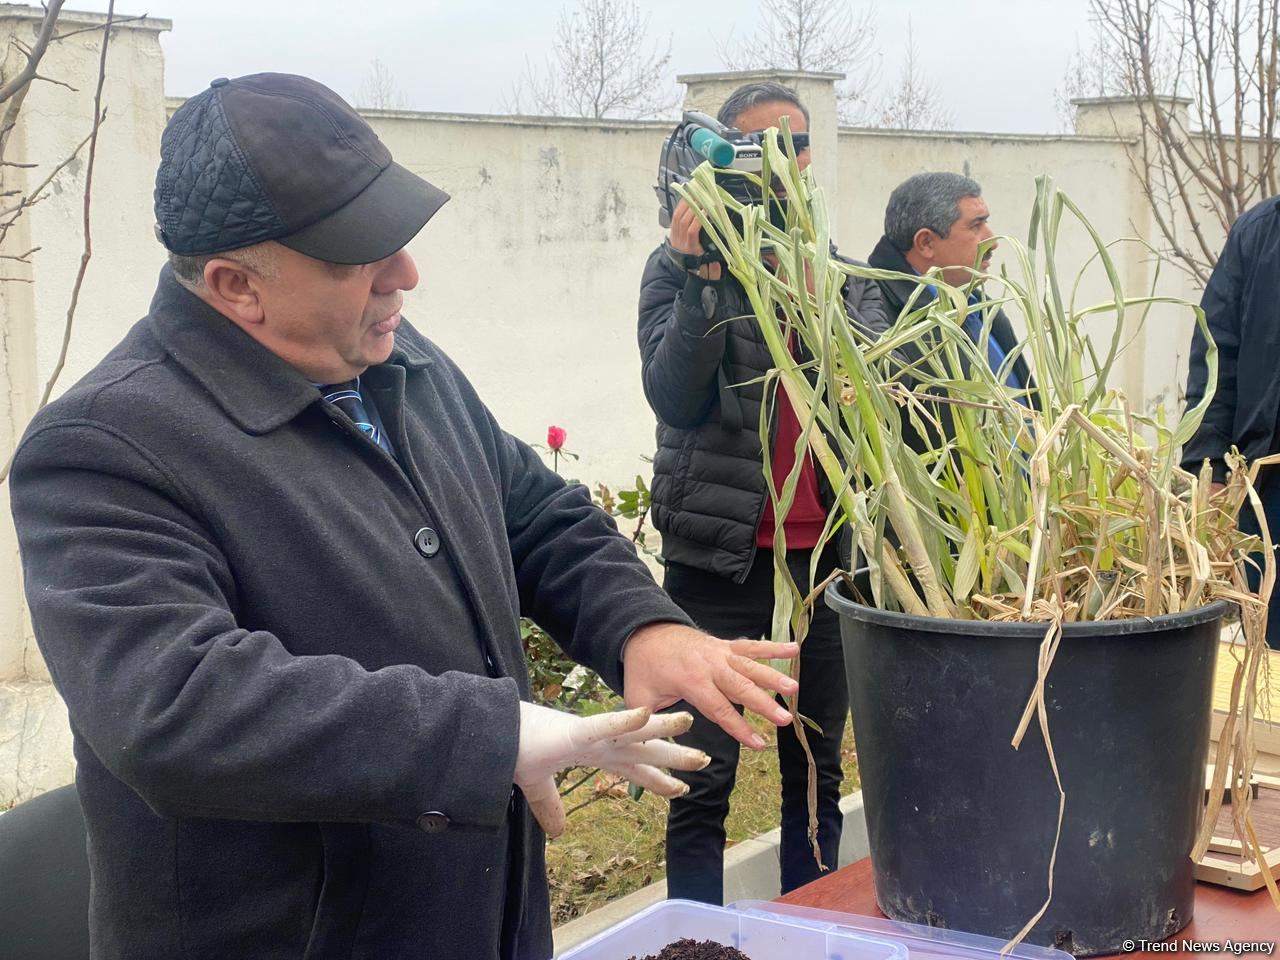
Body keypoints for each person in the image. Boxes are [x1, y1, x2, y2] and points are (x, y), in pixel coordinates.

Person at [7, 73, 803, 960]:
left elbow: (533, 513)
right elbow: (179, 706)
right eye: (358, 257)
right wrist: (492, 734)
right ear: (236, 285)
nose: (406, 276)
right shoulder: (105, 447)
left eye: (398, 238)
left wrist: (641, 628)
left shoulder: (397, 360)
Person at [637, 81, 887, 904]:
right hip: (722, 563)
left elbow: (886, 400)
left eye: (791, 146)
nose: (776, 166)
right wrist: (703, 275)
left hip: (823, 569)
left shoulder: (840, 274)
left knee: (814, 768)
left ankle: (805, 925)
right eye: (753, 149)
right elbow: (674, 397)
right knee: (701, 778)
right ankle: (690, 944)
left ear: (809, 159)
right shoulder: (673, 268)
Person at [1181, 195, 1280, 649]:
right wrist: (1210, 466)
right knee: (1269, 641)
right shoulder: (1258, 232)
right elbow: (1218, 351)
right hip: (1269, 487)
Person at [869, 172, 1029, 393]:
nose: (992, 242)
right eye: (975, 226)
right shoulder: (879, 323)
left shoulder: (983, 310)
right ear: (926, 243)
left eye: (986, 223)